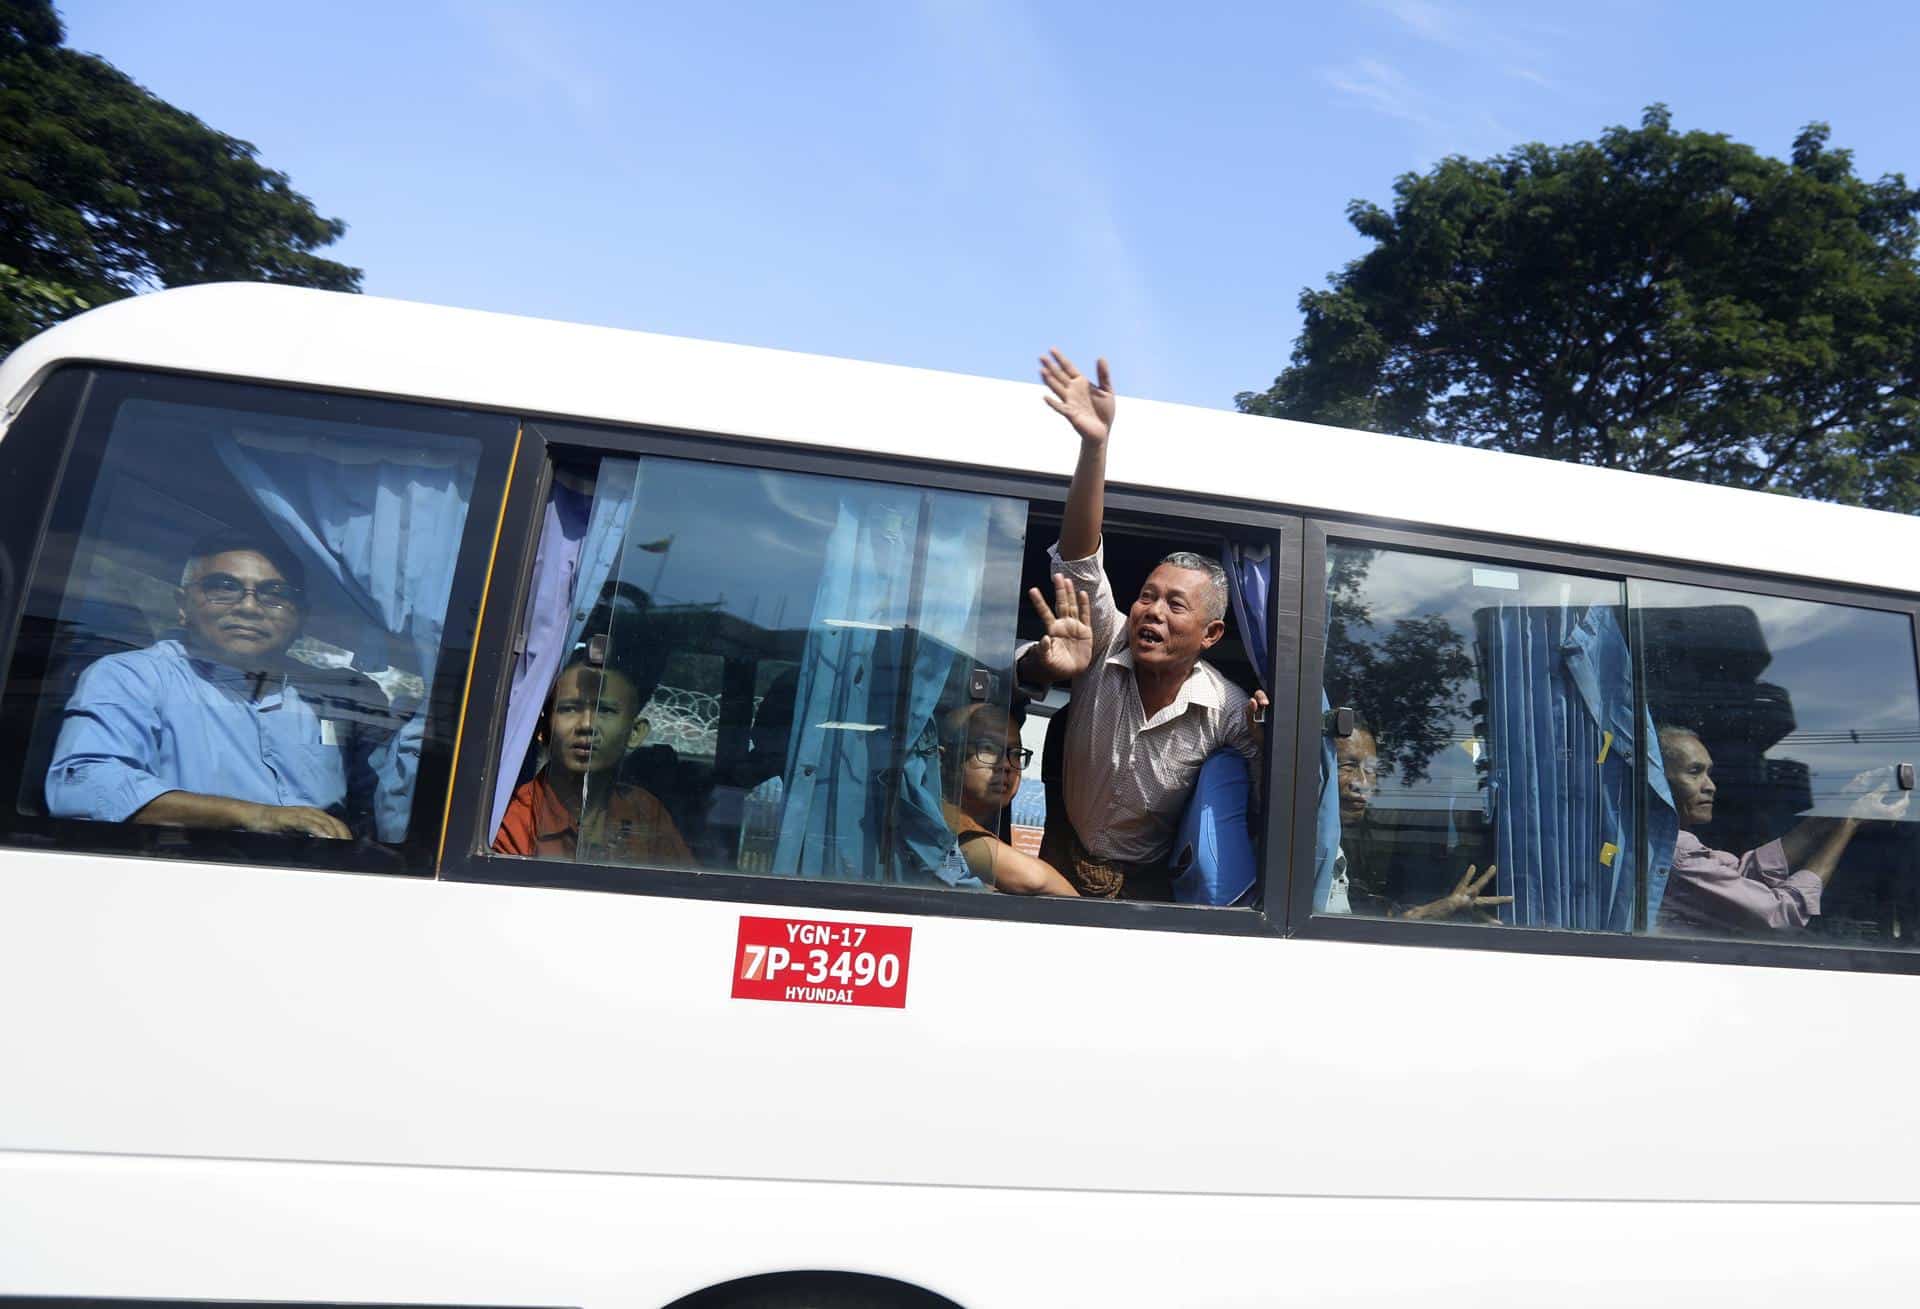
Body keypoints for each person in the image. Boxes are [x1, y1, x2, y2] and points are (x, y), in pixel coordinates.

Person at [1017, 350, 1265, 900]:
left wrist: (1269, 737)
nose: (1151, 611)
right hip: (1061, 854)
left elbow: (1266, 801)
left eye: (1176, 605)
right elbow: (1081, 558)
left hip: (1149, 887)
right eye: (1147, 598)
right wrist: (1094, 445)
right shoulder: (1105, 643)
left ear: (1211, 635)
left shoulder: (1227, 710)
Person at [45, 531, 366, 839]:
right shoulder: (134, 677)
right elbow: (85, 784)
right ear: (183, 605)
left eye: (274, 594)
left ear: (301, 617)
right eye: (224, 587)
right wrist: (257, 816)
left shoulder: (329, 698)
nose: (249, 607)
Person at [1657, 725, 1909, 933]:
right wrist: (1850, 822)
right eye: (1694, 772)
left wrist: (1839, 807)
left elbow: (1745, 874)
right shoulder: (1674, 851)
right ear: (1656, 780)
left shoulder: (1664, 843)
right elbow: (1780, 914)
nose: (1710, 786)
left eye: (1709, 773)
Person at [493, 654, 693, 867]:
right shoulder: (518, 818)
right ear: (542, 729)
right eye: (569, 708)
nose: (587, 725)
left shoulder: (646, 812)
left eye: (605, 710)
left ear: (635, 732)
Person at [1323, 720, 1509, 922]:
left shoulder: (1354, 840)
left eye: (1370, 769)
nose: (1363, 783)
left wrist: (1450, 908)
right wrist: (1429, 913)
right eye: (1348, 766)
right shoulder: (1307, 847)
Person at [937, 702, 1079, 896]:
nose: (1005, 765)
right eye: (988, 748)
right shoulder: (942, 819)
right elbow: (1034, 879)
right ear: (944, 761)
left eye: (1015, 753)